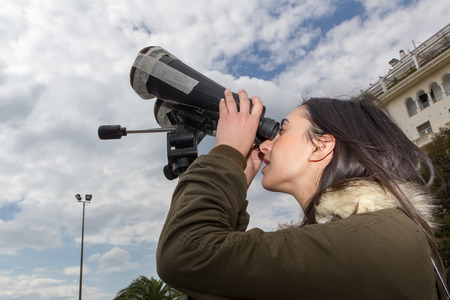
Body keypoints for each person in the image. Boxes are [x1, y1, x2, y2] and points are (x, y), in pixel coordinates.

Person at [156, 89, 448, 299]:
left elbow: (186, 254)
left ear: (321, 146)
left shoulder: (379, 238)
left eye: (281, 131)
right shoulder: (373, 233)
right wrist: (233, 180)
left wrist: (228, 152)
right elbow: (217, 280)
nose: (265, 145)